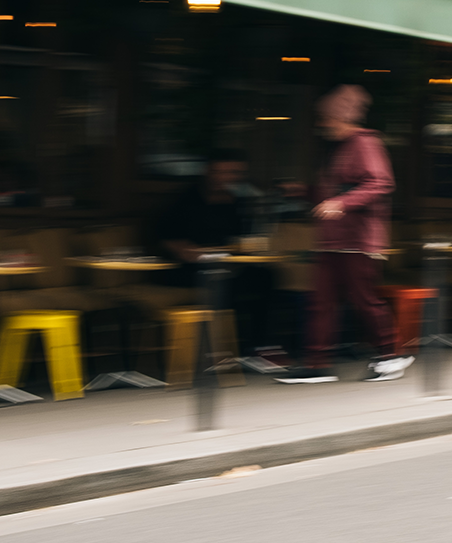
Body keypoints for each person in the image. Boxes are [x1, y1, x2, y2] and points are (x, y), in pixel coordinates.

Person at [276, 85, 413, 384]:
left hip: (357, 241)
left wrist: (341, 203)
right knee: (320, 302)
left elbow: (379, 183)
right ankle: (316, 365)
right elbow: (334, 192)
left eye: (326, 119)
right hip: (333, 241)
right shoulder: (339, 147)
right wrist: (304, 192)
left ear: (342, 118)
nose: (321, 125)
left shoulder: (365, 142)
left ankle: (390, 356)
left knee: (364, 300)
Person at [158, 148, 283, 368]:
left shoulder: (237, 201)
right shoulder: (184, 200)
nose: (231, 178)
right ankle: (218, 352)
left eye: (236, 173)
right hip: (183, 269)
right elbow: (169, 239)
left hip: (228, 264)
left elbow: (243, 239)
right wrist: (187, 251)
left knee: (265, 277)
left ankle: (261, 346)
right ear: (209, 172)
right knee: (222, 283)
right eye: (225, 172)